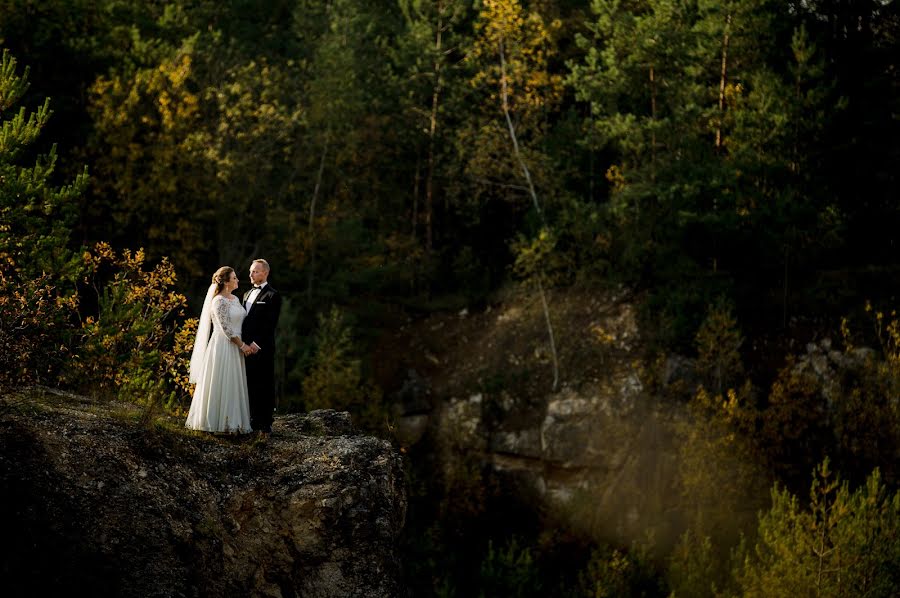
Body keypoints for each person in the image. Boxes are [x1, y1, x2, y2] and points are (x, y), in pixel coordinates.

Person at [185, 266, 253, 434]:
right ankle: (216, 422)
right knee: (221, 380)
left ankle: (233, 421)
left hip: (236, 346)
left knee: (233, 383)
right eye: (235, 278)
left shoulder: (235, 299)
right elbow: (226, 328)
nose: (238, 280)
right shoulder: (218, 301)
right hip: (223, 346)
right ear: (226, 282)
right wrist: (242, 345)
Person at [242, 259, 282, 435]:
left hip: (262, 348)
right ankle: (250, 419)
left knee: (264, 383)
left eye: (255, 271)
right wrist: (244, 344)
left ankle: (265, 423)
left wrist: (256, 344)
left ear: (265, 273)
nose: (251, 274)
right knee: (248, 383)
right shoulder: (245, 294)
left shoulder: (273, 295)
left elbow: (270, 324)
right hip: (245, 348)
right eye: (251, 271)